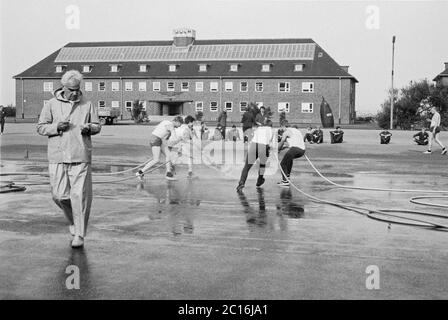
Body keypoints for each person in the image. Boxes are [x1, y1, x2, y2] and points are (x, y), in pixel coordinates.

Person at [37, 70, 101, 248]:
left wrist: (90, 128)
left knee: (79, 196)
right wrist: (56, 127)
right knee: (59, 195)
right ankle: (73, 220)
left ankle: (79, 234)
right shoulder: (51, 104)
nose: (75, 92)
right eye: (72, 89)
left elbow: (97, 125)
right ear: (63, 87)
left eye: (77, 89)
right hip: (57, 155)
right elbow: (41, 127)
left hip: (80, 154)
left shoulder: (87, 104)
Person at [136, 116, 184, 180]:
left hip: (158, 139)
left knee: (168, 155)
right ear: (177, 122)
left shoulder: (166, 121)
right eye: (180, 124)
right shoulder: (171, 126)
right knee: (156, 160)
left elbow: (158, 129)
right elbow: (174, 137)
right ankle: (140, 172)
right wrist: (181, 139)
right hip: (155, 139)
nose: (179, 126)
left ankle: (168, 173)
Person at [236, 120, 274, 193]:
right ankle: (259, 180)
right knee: (262, 165)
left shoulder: (259, 128)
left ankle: (241, 182)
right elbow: (270, 143)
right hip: (263, 146)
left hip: (254, 145)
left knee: (246, 167)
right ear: (271, 125)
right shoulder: (271, 130)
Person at [277, 121, 306, 187]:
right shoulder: (296, 130)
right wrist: (284, 147)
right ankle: (287, 178)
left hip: (295, 149)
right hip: (302, 150)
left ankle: (285, 181)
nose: (281, 130)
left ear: (283, 126)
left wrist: (278, 150)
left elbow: (281, 143)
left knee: (282, 164)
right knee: (289, 159)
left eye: (281, 128)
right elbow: (293, 142)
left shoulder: (286, 132)